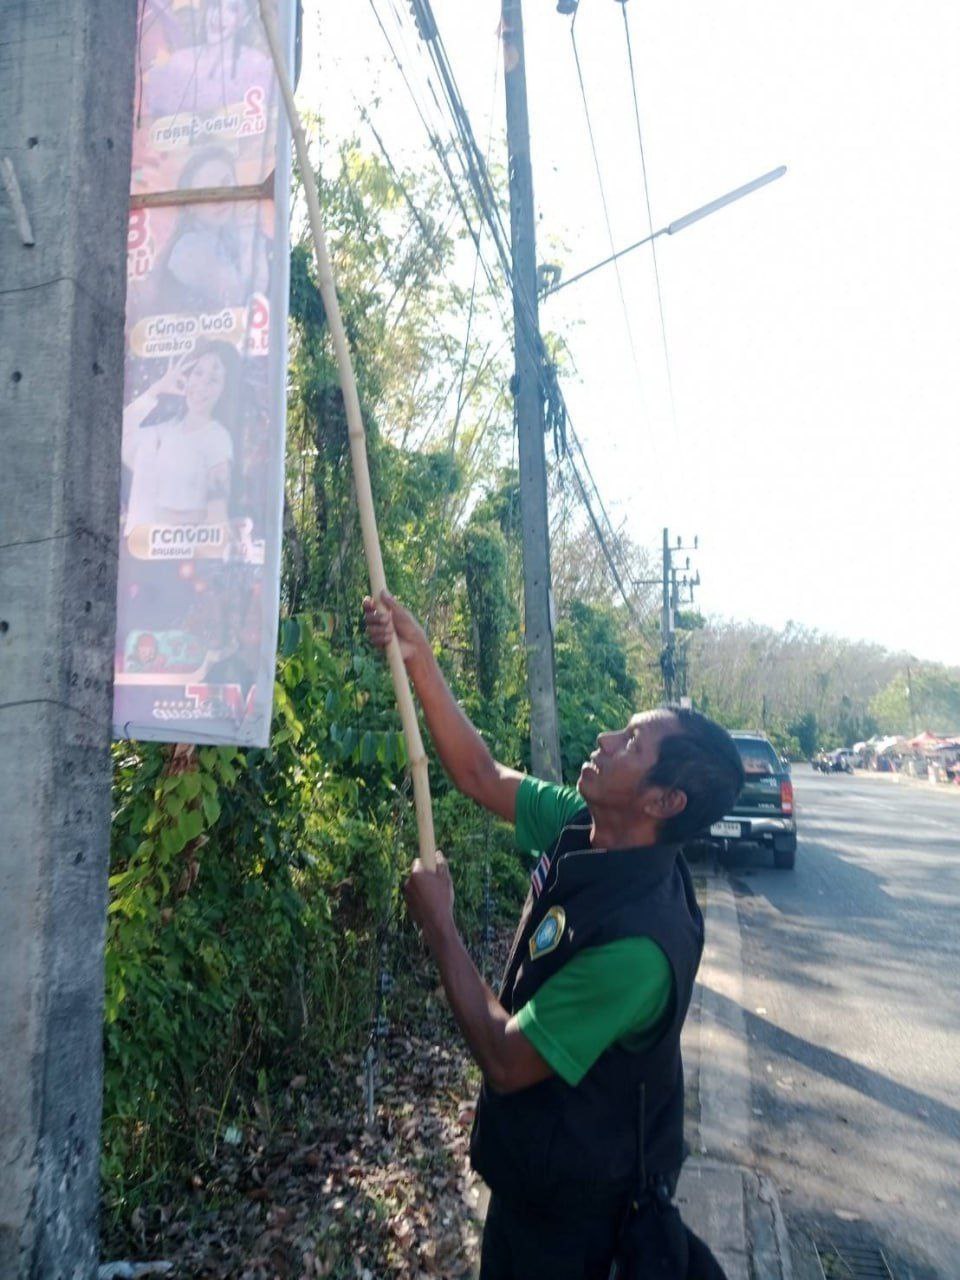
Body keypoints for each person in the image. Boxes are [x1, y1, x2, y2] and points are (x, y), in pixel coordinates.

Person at [363, 591, 744, 1280]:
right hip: (533, 1182)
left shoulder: (641, 949)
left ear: (664, 802)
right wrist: (416, 654)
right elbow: (480, 775)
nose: (604, 741)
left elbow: (508, 1061)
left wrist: (441, 925)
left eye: (630, 744)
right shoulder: (586, 823)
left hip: (581, 1222)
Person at [122, 343, 238, 536]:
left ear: (224, 390)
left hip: (176, 558)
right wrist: (156, 390)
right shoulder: (163, 432)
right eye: (198, 373)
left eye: (213, 380)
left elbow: (216, 516)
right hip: (137, 555)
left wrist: (161, 515)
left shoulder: (217, 439)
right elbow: (120, 431)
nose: (202, 384)